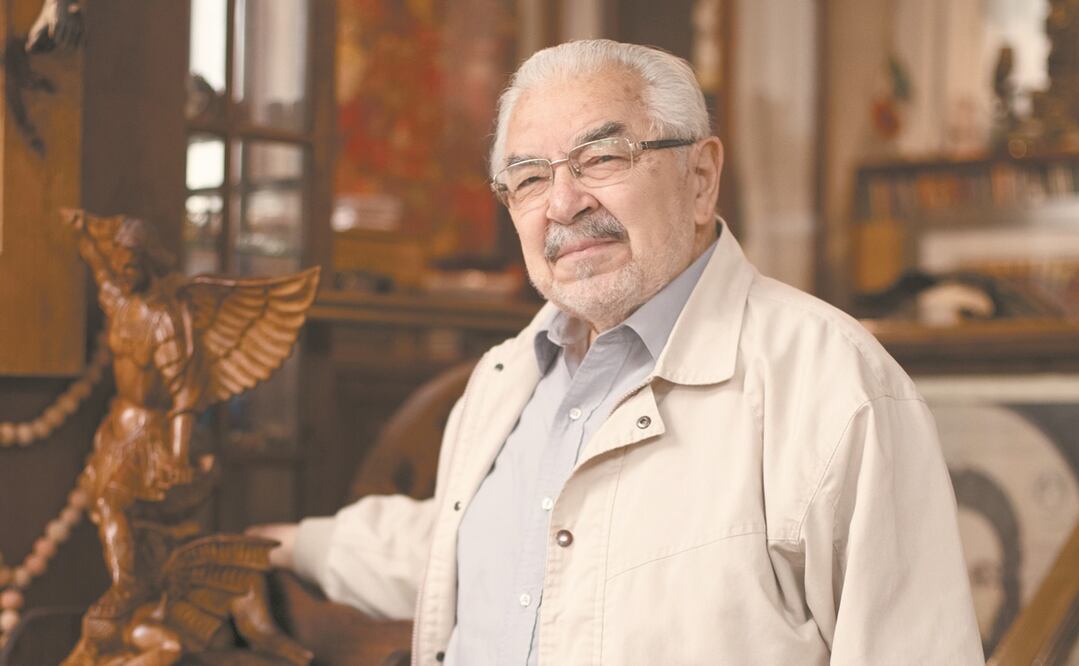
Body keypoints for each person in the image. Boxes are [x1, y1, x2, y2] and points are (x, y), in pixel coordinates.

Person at [250, 40, 983, 664]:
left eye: (601, 157)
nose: (562, 203)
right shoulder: (507, 376)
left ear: (700, 178)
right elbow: (459, 545)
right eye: (529, 178)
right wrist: (277, 544)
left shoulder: (831, 384)